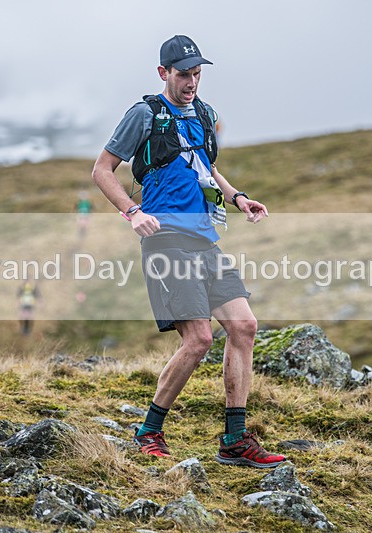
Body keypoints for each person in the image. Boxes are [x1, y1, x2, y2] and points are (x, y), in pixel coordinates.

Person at [91, 35, 285, 468]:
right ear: (164, 73)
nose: (191, 82)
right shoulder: (144, 114)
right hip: (165, 240)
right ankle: (148, 431)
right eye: (183, 74)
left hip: (205, 239)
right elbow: (101, 170)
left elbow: (206, 166)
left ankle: (235, 441)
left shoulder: (204, 113)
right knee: (198, 340)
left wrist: (238, 198)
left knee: (244, 326)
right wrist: (132, 212)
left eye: (197, 74)